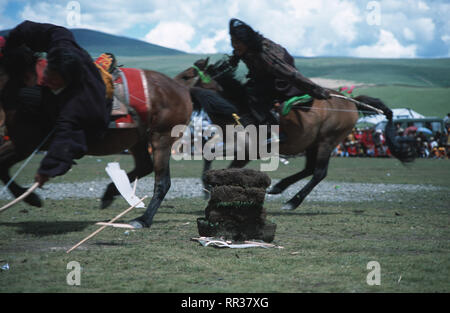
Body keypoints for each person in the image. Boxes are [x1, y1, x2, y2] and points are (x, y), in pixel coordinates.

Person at [1, 21, 112, 187]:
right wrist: (11, 43)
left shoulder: (78, 102)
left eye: (53, 80)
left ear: (66, 81)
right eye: (48, 73)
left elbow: (66, 135)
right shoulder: (61, 44)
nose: (45, 80)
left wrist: (47, 169)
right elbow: (45, 30)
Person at [216, 18, 331, 127]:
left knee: (253, 97)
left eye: (237, 42)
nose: (234, 45)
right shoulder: (243, 49)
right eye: (232, 42)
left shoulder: (266, 54)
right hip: (262, 79)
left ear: (247, 41)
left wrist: (316, 90)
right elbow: (233, 59)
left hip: (282, 80)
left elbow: (291, 74)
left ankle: (270, 128)